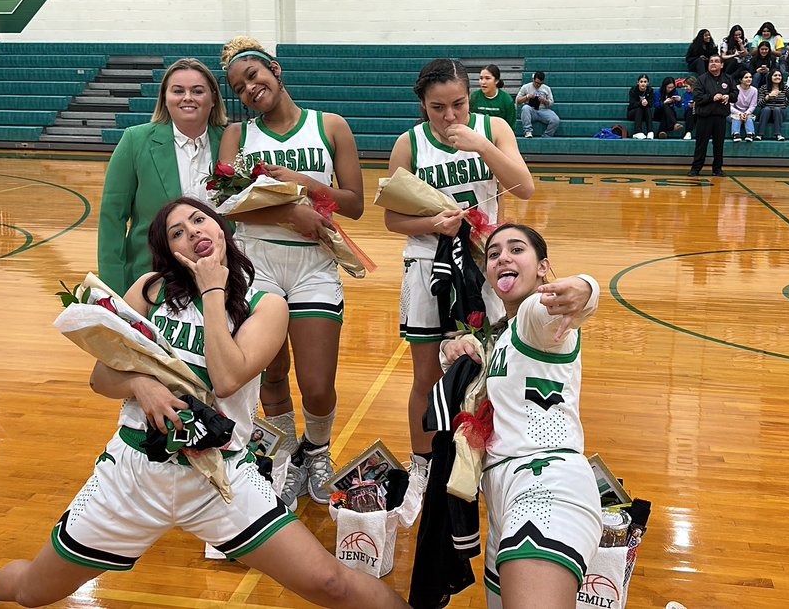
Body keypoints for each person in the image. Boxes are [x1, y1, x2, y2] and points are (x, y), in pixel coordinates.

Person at [0, 198, 409, 609]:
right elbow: (102, 377)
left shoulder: (267, 303)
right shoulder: (150, 290)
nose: (193, 233)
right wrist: (142, 386)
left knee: (331, 582)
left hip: (222, 476)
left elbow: (226, 379)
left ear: (221, 229)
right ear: (171, 253)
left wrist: (212, 292)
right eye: (177, 233)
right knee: (33, 593)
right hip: (133, 474)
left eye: (199, 221)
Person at [219, 36, 364, 508]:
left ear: (275, 70)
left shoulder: (331, 126)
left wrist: (301, 184)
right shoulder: (238, 138)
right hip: (256, 263)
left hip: (313, 265)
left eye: (254, 77)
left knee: (318, 382)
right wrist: (287, 214)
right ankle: (282, 462)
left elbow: (355, 204)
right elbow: (223, 207)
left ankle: (317, 453)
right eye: (239, 88)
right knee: (273, 372)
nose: (249, 90)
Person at [382, 58, 534, 504]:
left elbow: (524, 188)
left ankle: (487, 462)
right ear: (422, 106)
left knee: (488, 371)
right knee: (426, 377)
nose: (449, 117)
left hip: (487, 267)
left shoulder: (493, 129)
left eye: (458, 105)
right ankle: (422, 464)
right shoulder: (408, 143)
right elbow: (392, 217)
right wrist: (434, 221)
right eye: (437, 108)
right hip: (429, 265)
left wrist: (480, 146)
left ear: (471, 97)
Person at [438, 223, 602, 609]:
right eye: (494, 254)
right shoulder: (502, 336)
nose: (503, 258)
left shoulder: (535, 317)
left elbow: (562, 303)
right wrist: (453, 346)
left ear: (544, 267)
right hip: (502, 498)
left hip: (544, 484)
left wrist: (586, 287)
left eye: (516, 250)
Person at [98, 58, 227, 296]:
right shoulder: (135, 141)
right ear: (165, 99)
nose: (188, 97)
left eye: (197, 91)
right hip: (152, 278)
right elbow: (112, 217)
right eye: (178, 91)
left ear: (213, 99)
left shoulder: (231, 141)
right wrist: (112, 288)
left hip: (219, 276)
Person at [689, 56, 734, 177]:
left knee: (719, 144)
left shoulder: (728, 78)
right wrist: (711, 97)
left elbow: (735, 94)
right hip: (704, 116)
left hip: (720, 117)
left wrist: (728, 96)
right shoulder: (701, 79)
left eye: (716, 61)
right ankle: (696, 168)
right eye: (711, 62)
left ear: (722, 65)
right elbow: (697, 96)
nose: (713, 64)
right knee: (701, 144)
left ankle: (717, 169)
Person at [470, 64, 518, 134]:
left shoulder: (507, 100)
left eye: (487, 78)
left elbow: (511, 127)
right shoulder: (474, 97)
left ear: (496, 81)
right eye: (481, 78)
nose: (483, 82)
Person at [516, 71, 560, 138]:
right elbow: (518, 100)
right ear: (533, 79)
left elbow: (551, 103)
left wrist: (545, 101)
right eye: (536, 83)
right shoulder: (526, 87)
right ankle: (528, 131)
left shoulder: (547, 88)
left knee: (555, 120)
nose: (538, 85)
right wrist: (527, 97)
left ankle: (547, 135)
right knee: (525, 108)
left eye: (540, 83)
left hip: (543, 110)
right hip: (531, 110)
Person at [758, 69, 789, 141]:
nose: (777, 77)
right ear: (770, 77)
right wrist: (768, 97)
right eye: (775, 75)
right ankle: (760, 134)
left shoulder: (785, 87)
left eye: (779, 75)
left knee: (777, 109)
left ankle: (778, 134)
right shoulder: (764, 88)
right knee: (766, 109)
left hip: (779, 113)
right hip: (766, 114)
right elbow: (759, 104)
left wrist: (784, 105)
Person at [730, 71, 758, 143]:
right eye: (746, 77)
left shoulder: (754, 90)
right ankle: (736, 134)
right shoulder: (735, 89)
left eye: (750, 77)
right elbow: (730, 106)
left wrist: (746, 113)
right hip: (734, 112)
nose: (749, 79)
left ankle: (750, 134)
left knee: (748, 117)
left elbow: (753, 105)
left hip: (747, 112)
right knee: (736, 117)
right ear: (740, 80)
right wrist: (740, 113)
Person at [626, 74, 653, 139]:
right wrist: (640, 103)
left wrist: (646, 103)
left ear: (648, 83)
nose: (643, 84)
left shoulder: (650, 90)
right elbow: (632, 104)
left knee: (647, 108)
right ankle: (637, 132)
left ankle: (650, 131)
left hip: (645, 113)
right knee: (640, 107)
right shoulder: (633, 90)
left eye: (645, 82)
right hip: (633, 113)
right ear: (638, 82)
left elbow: (651, 104)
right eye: (641, 82)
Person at [681, 76, 698, 141]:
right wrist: (689, 105)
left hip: (699, 112)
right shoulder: (686, 94)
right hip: (689, 113)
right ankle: (688, 132)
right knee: (690, 110)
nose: (685, 88)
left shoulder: (700, 92)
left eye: (686, 86)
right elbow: (685, 106)